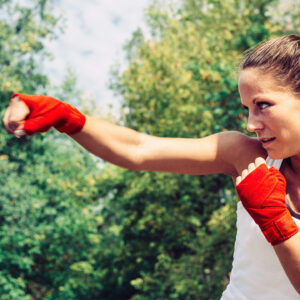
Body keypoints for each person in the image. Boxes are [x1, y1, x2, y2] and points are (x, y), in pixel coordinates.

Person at [3, 35, 300, 299]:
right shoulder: (247, 156)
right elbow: (139, 149)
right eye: (246, 108)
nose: (251, 124)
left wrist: (276, 222)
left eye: (263, 105)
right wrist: (65, 117)